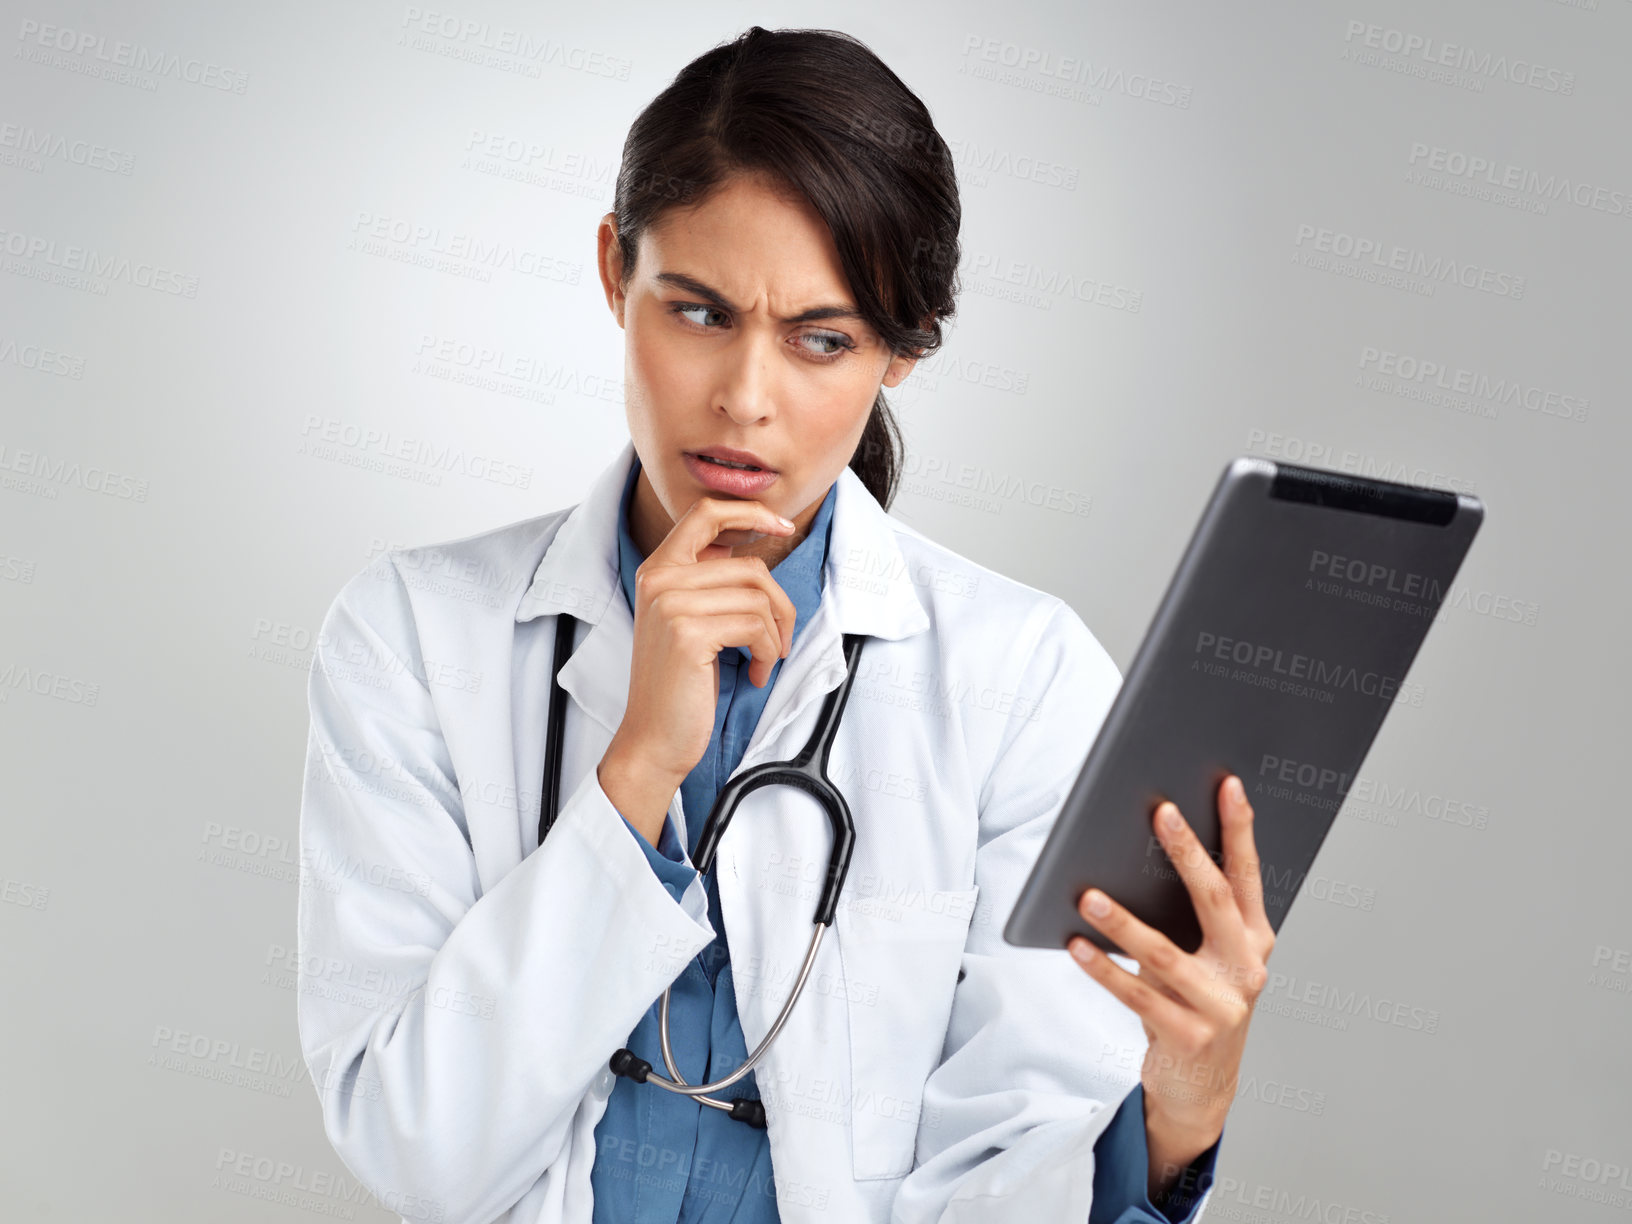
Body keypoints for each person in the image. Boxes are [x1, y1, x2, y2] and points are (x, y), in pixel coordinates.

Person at [296, 25, 1275, 1224]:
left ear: (902, 352)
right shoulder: (411, 634)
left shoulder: (1022, 678)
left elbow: (1017, 1170)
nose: (745, 401)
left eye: (823, 340)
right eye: (698, 312)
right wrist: (636, 774)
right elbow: (419, 1151)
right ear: (616, 271)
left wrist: (1177, 1115)